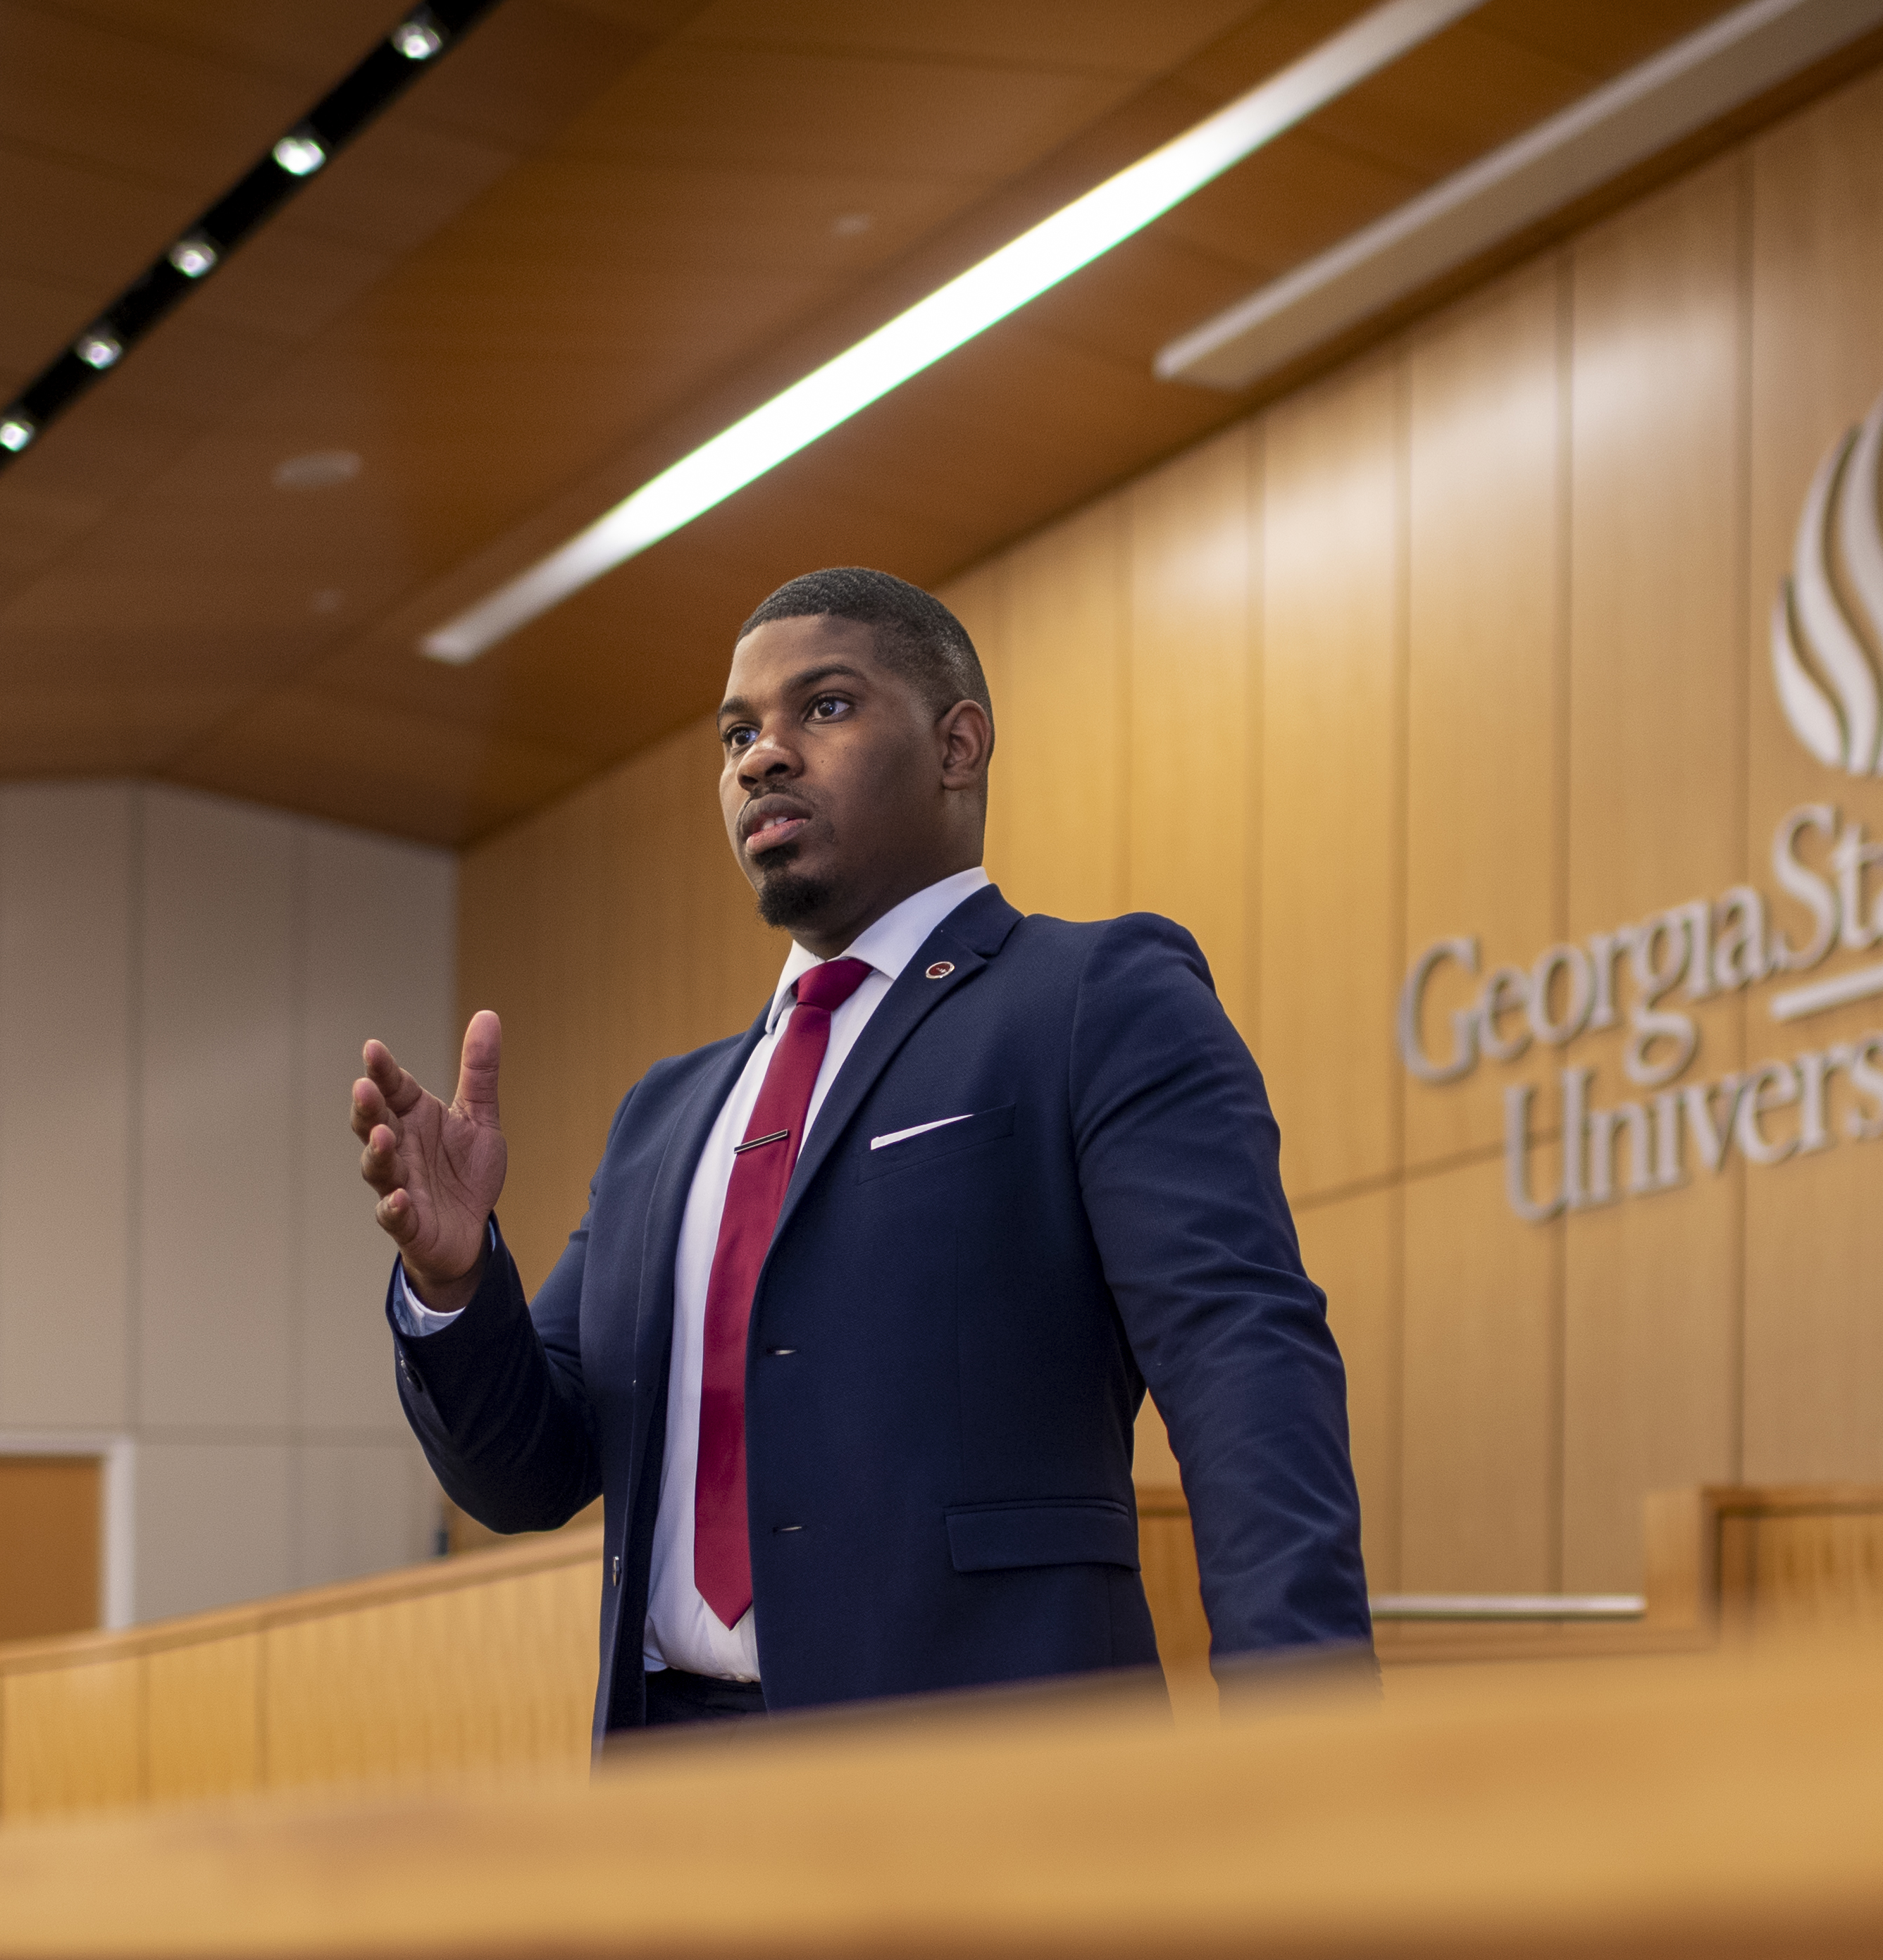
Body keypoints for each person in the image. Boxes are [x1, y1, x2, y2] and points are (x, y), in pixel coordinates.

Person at [349, 566, 1372, 1734]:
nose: (761, 757)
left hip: (979, 1785)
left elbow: (1245, 1365)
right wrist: (456, 1279)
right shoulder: (664, 1118)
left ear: (959, 746)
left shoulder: (1091, 998)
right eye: (738, 733)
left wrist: (1311, 1734)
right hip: (673, 1792)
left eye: (822, 709)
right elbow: (527, 1475)